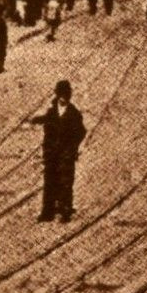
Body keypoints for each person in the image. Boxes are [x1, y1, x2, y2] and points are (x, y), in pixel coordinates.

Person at [30, 80, 86, 222]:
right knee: (49, 181)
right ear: (57, 95)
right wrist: (37, 120)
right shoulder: (52, 111)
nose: (63, 98)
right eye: (61, 95)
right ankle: (47, 211)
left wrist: (72, 149)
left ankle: (65, 210)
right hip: (52, 153)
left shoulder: (74, 114)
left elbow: (81, 132)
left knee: (65, 182)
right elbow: (47, 120)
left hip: (65, 154)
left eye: (66, 95)